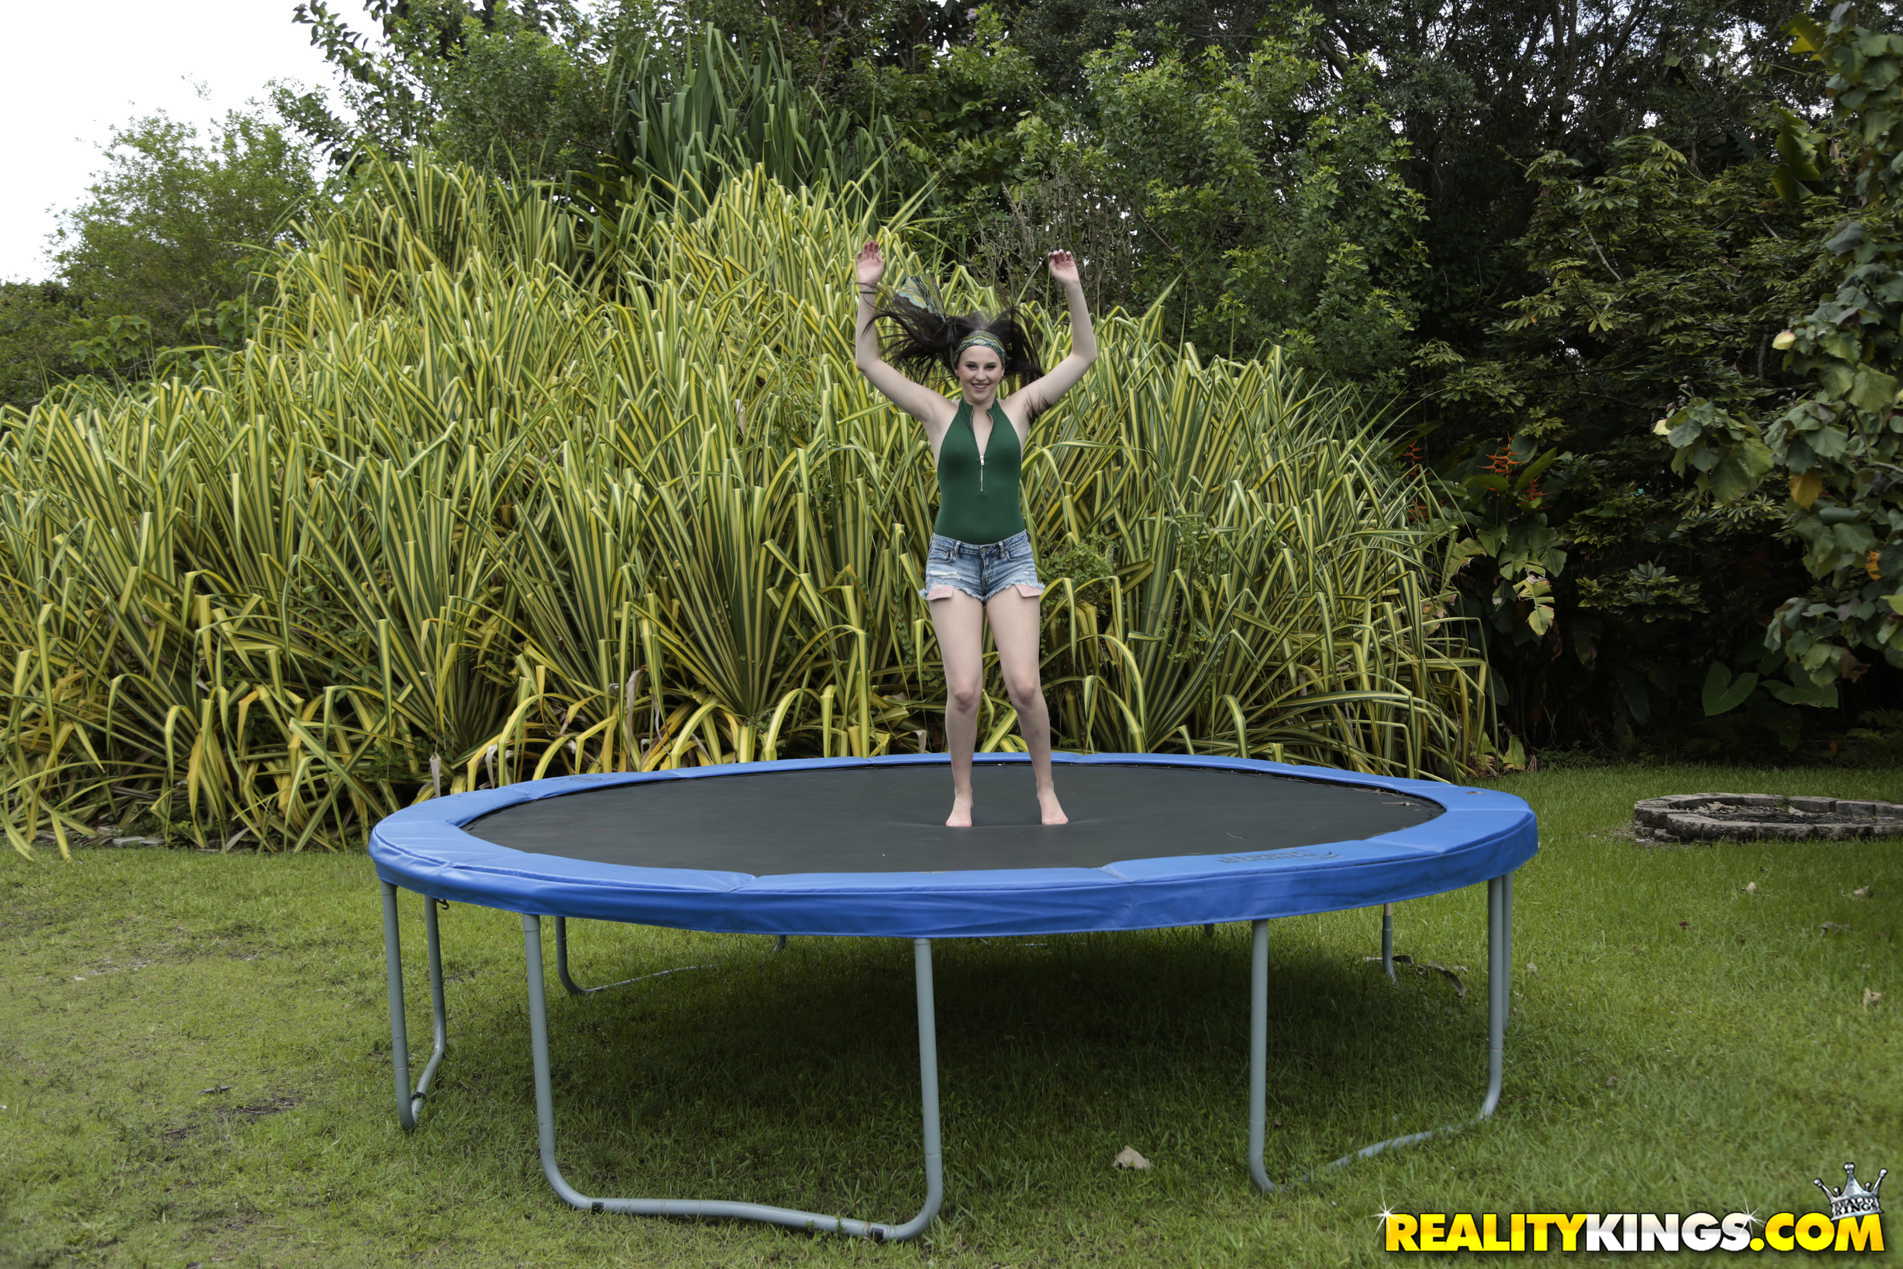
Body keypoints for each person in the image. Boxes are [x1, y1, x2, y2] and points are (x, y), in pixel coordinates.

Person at [853, 242, 1097, 827]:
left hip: (1011, 559)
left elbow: (1084, 355)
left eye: (990, 367)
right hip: (953, 561)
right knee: (964, 690)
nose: (981, 376)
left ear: (1002, 370)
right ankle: (962, 796)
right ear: (957, 370)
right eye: (971, 367)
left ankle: (1046, 791)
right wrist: (868, 287)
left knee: (1024, 686)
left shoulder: (1022, 408)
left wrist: (1071, 286)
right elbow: (868, 363)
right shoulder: (936, 413)